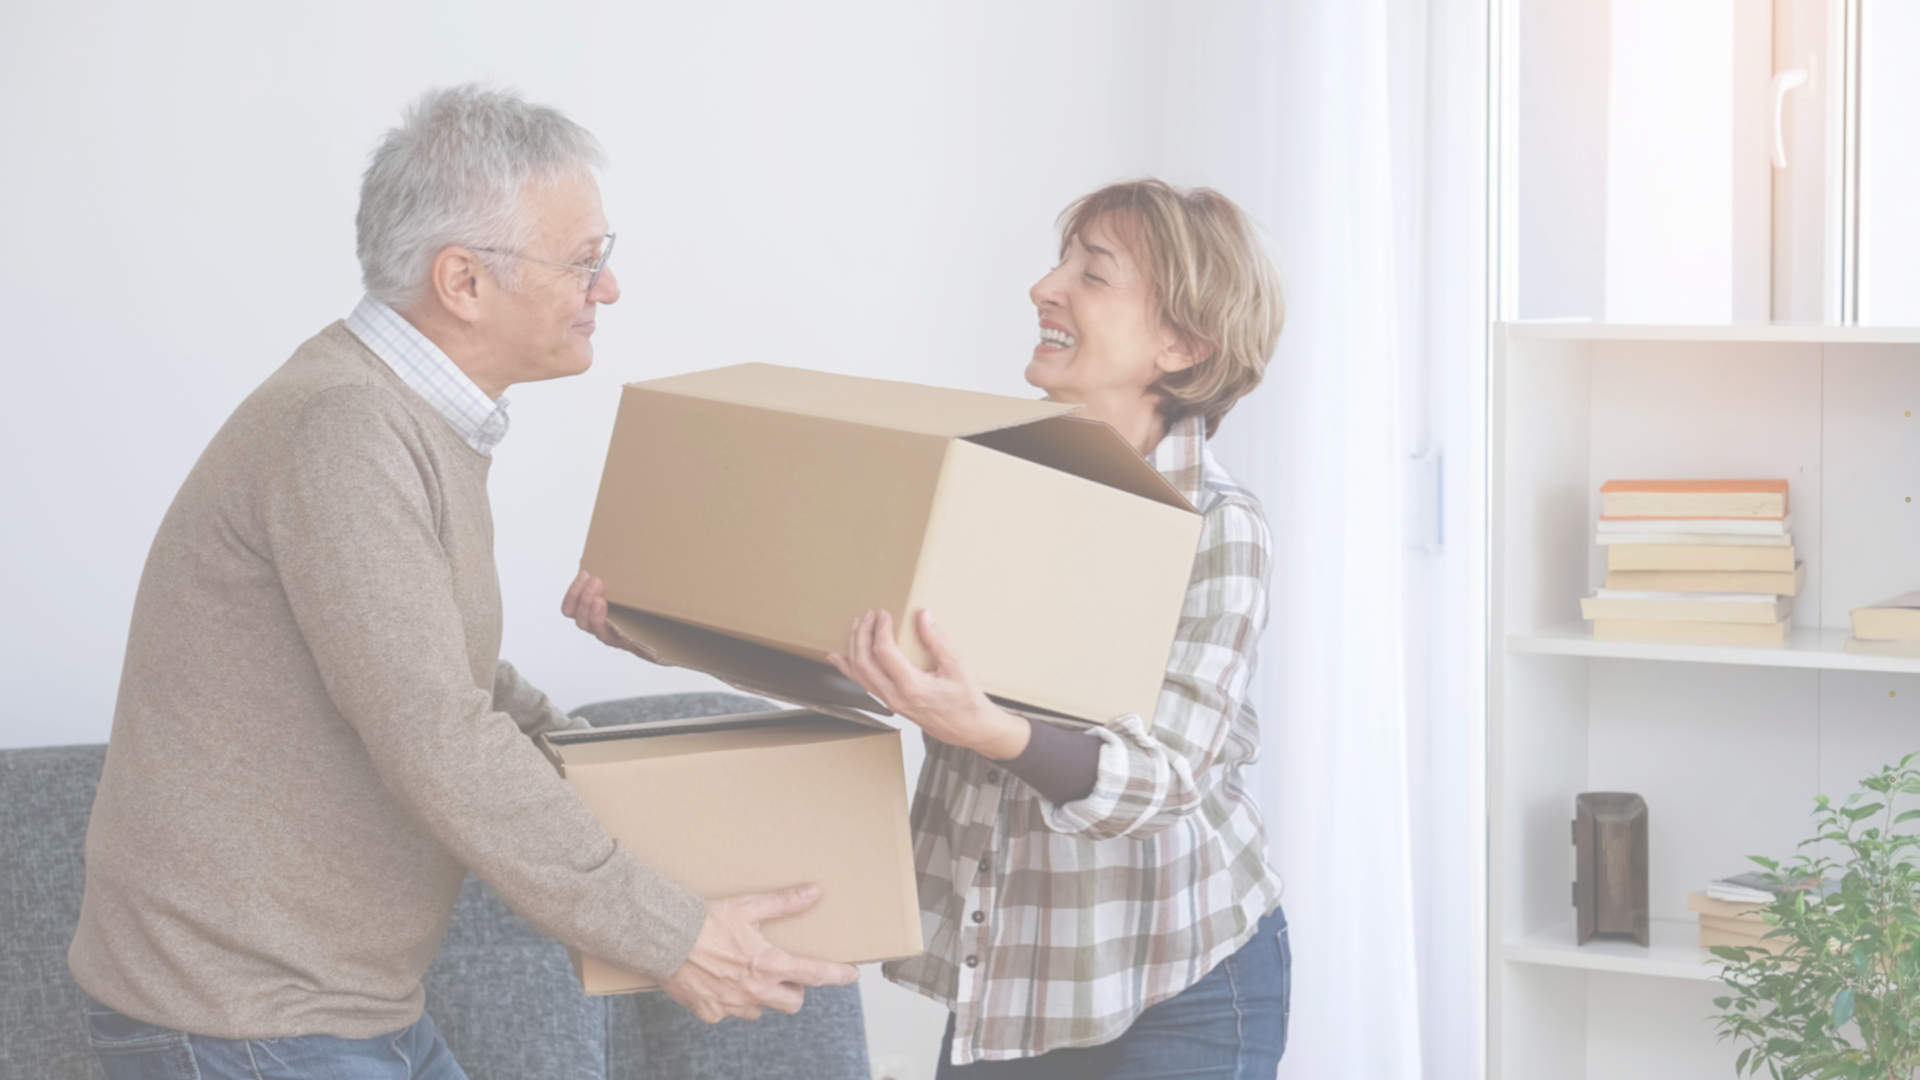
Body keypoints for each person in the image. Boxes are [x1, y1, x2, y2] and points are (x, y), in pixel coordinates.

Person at [69, 84, 856, 1080]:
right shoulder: (347, 428)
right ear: (464, 282)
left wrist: (620, 767)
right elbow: (436, 733)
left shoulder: (403, 418)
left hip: (324, 1007)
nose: (609, 288)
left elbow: (449, 676)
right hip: (243, 1016)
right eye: (585, 260)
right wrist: (672, 936)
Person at [568, 179, 1289, 1077]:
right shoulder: (995, 476)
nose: (1044, 288)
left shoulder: (1217, 526)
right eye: (1060, 263)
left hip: (1175, 983)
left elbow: (1167, 779)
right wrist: (664, 629)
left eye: (1093, 275)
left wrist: (990, 730)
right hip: (1012, 991)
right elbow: (868, 664)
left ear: (1181, 344)